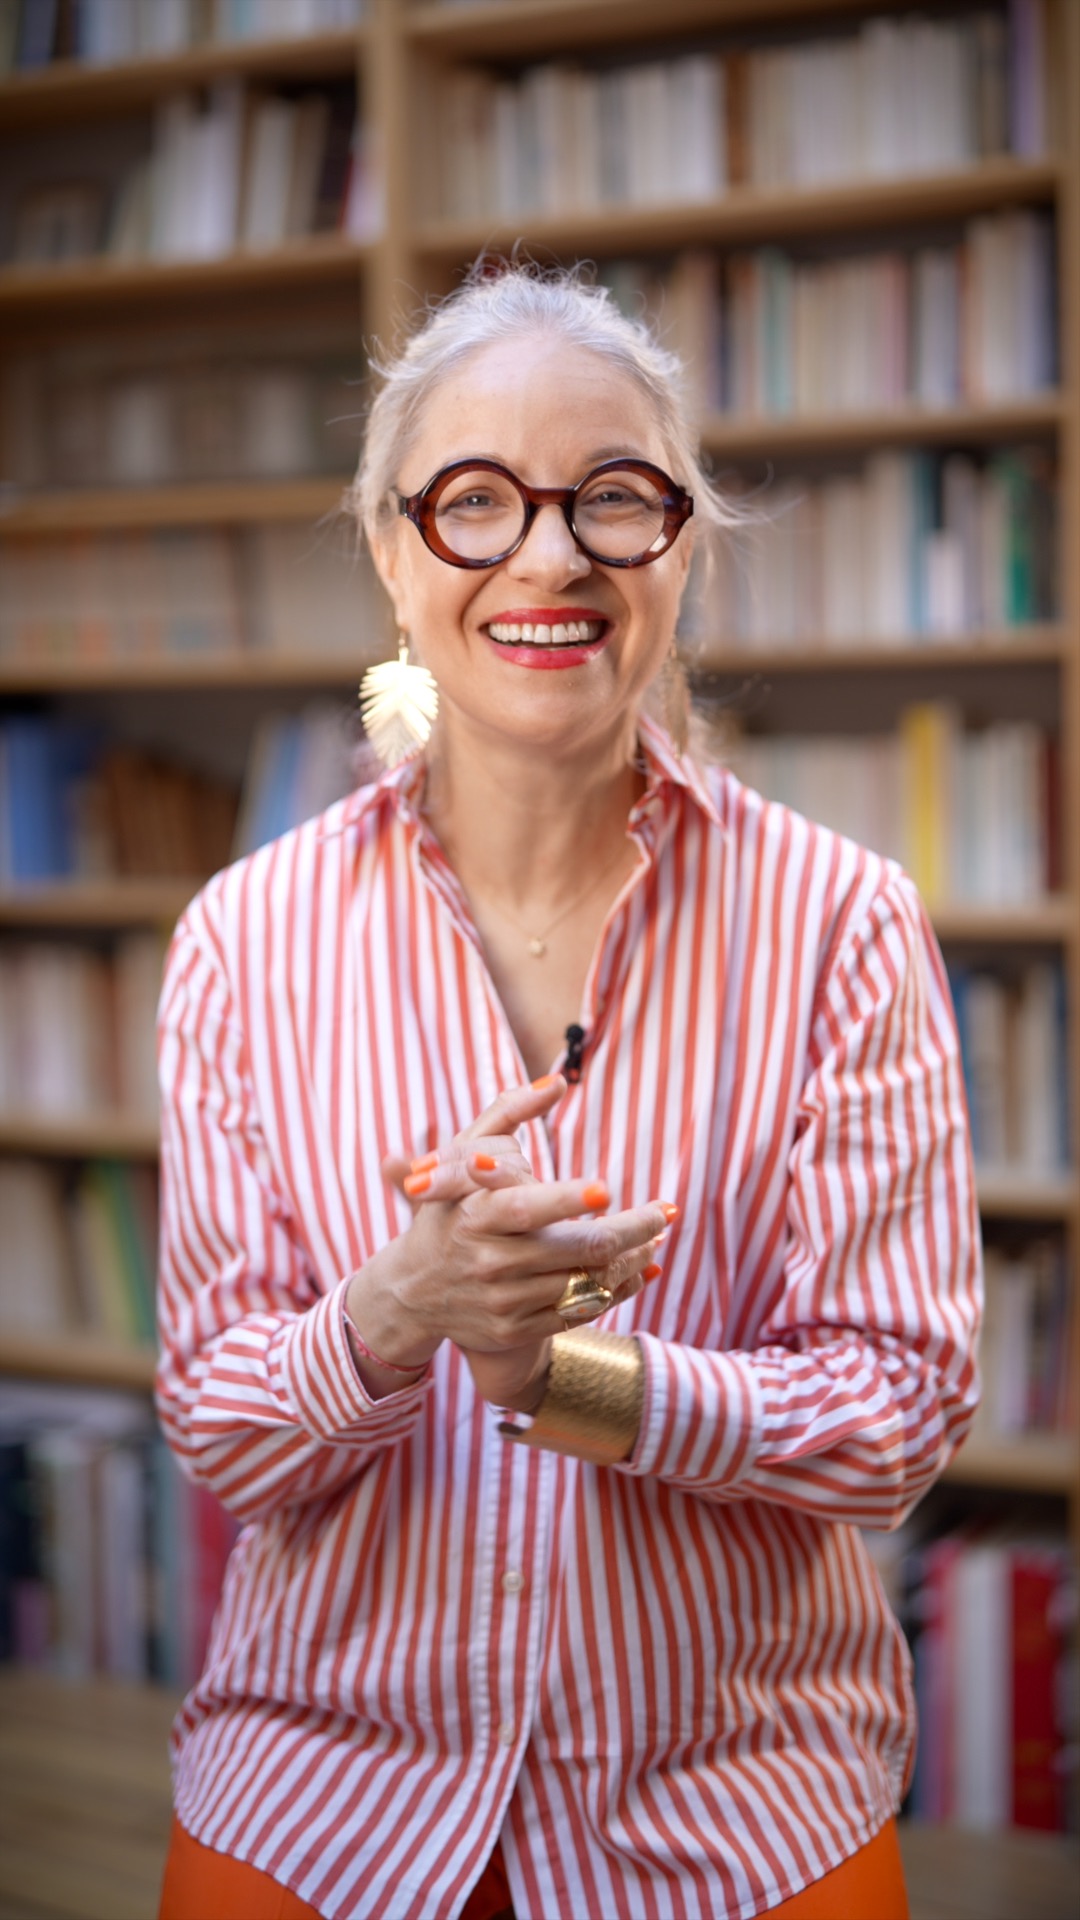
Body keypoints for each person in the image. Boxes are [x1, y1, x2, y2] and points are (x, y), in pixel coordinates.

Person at [155, 263, 981, 1920]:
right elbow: (219, 1422)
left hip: (732, 1810)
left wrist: (574, 1379)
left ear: (682, 549)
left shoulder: (844, 924)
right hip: (326, 1793)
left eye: (612, 498)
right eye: (475, 503)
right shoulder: (244, 938)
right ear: (395, 556)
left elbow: (897, 1416)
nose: (549, 555)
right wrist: (395, 1312)